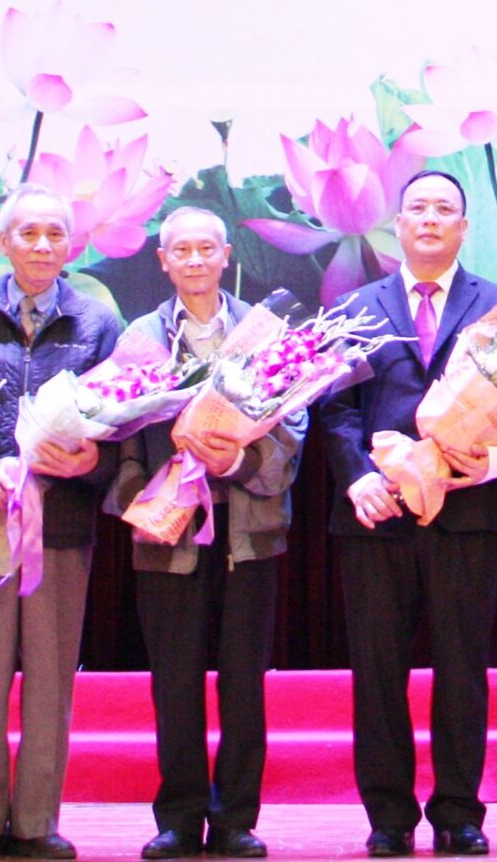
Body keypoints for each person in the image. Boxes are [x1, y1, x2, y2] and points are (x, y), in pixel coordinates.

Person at [318, 170, 497, 858]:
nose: (431, 218)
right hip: (379, 512)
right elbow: (335, 410)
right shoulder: (354, 306)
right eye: (418, 208)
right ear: (398, 225)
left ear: (464, 228)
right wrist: (356, 477)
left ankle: (459, 813)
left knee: (462, 668)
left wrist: (491, 462)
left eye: (445, 209)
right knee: (377, 671)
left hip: (467, 512)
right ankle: (388, 816)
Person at [0, 185, 125, 860]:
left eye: (55, 234)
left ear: (72, 245)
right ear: (5, 241)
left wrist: (93, 461)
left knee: (51, 677)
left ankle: (39, 822)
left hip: (60, 523)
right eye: (28, 233)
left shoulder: (98, 320)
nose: (42, 245)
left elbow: (121, 420)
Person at [107, 208, 298, 861]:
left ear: (225, 256)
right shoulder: (140, 336)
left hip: (248, 532)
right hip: (170, 533)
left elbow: (291, 428)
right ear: (162, 260)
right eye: (180, 250)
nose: (194, 259)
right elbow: (118, 436)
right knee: (175, 680)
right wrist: (145, 500)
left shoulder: (264, 333)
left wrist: (237, 459)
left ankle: (237, 818)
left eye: (205, 248)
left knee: (243, 681)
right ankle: (180, 818)